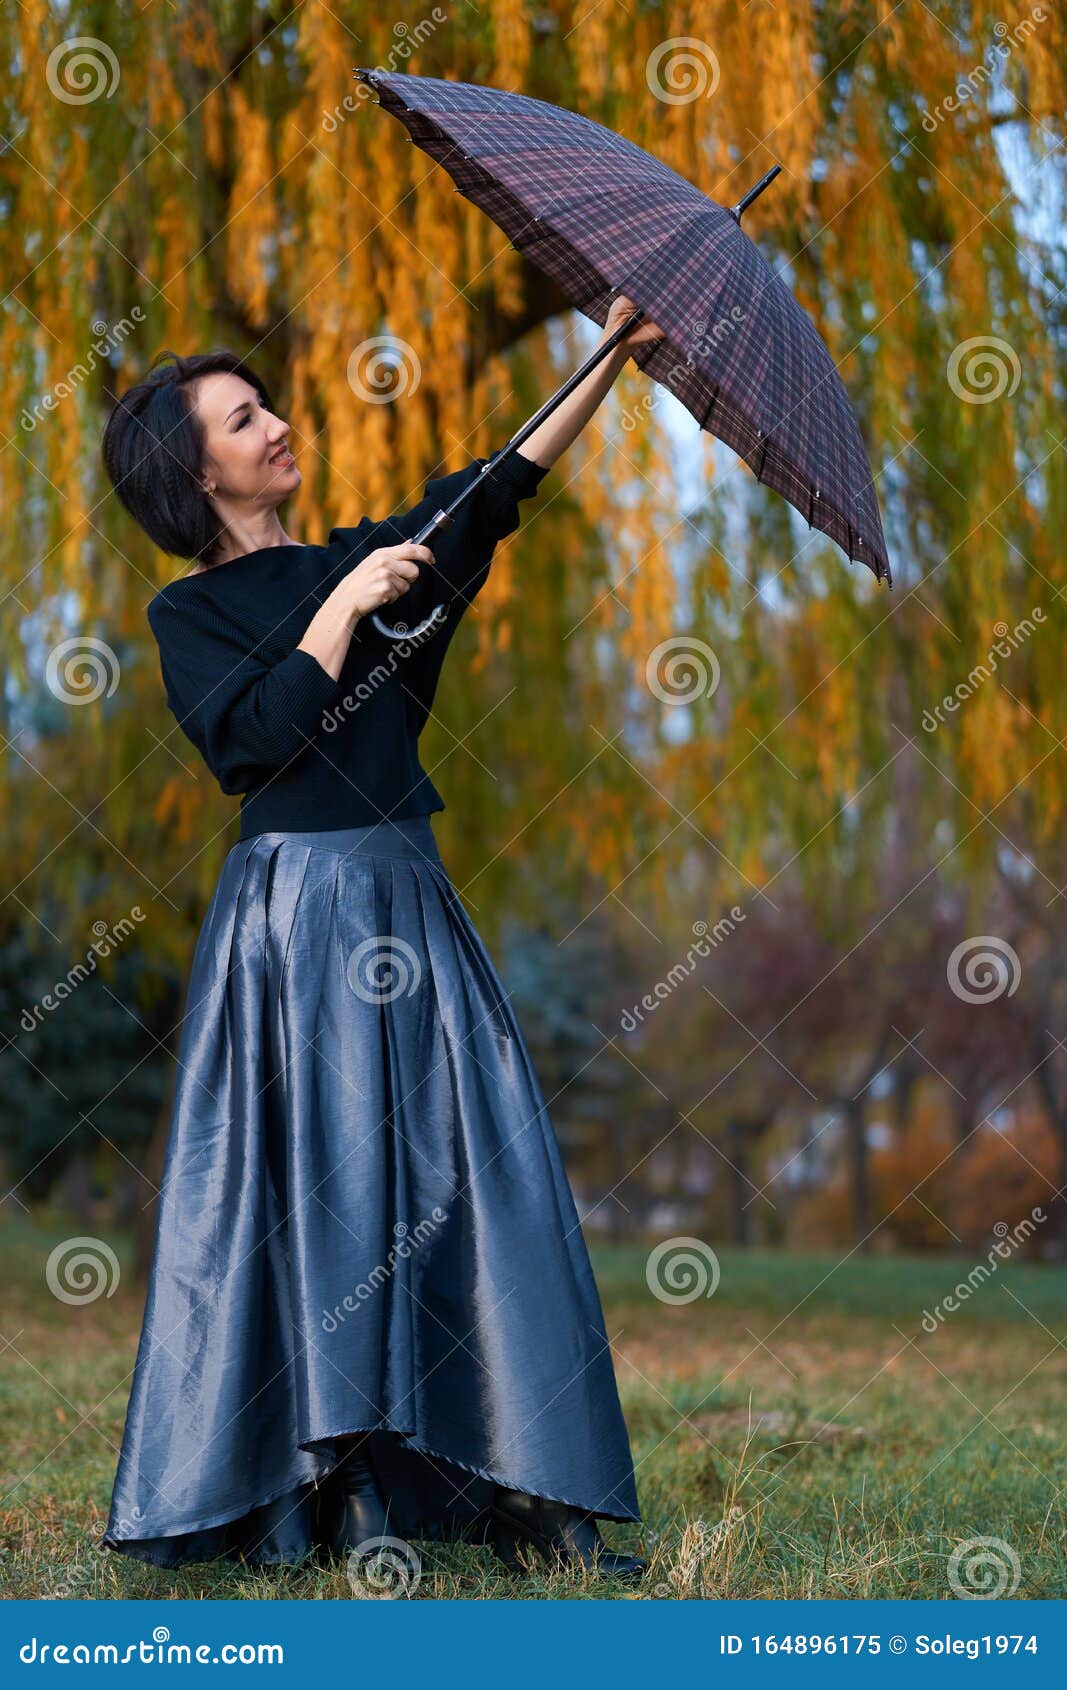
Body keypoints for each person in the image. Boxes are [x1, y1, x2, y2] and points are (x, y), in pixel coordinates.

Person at [98, 295, 665, 1583]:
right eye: (247, 420)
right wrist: (343, 604)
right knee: (327, 1186)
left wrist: (610, 357)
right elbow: (254, 742)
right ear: (197, 473)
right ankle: (338, 1477)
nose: (280, 424)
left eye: (266, 407)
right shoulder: (189, 619)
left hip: (409, 892)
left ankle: (531, 1475)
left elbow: (500, 481)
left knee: (481, 1168)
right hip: (291, 922)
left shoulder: (382, 557)